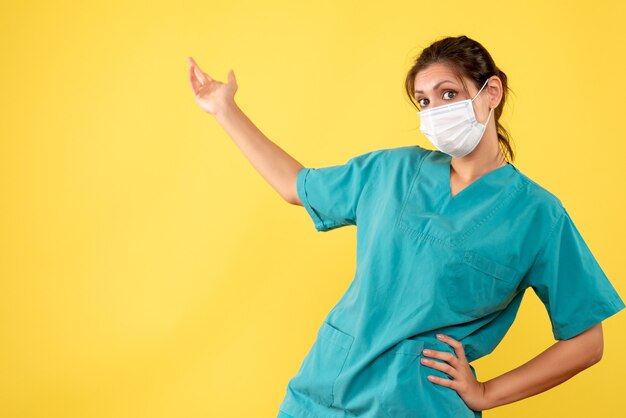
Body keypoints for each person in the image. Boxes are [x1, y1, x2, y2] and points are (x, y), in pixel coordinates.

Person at [186, 35, 625, 418]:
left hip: (417, 404)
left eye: (449, 93)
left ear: (491, 92)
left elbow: (587, 343)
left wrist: (487, 392)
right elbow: (295, 185)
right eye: (424, 100)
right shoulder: (392, 171)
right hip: (321, 394)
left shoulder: (536, 215)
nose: (435, 109)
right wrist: (224, 109)